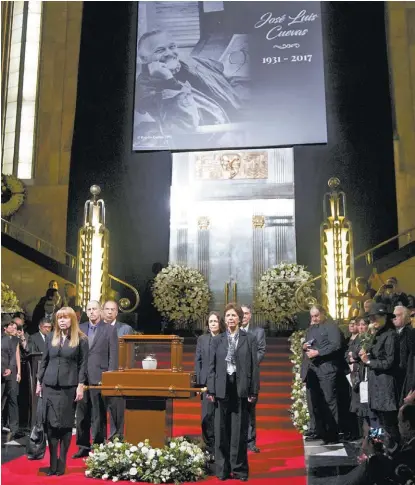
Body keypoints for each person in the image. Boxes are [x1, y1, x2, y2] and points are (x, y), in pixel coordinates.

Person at [135, 30, 242, 145]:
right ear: (144, 59)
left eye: (172, 47)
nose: (170, 53)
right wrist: (169, 81)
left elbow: (229, 81)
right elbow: (185, 125)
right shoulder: (144, 90)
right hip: (211, 143)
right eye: (160, 50)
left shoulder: (193, 62)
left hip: (240, 129)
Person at [207, 302, 259, 482]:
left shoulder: (249, 338)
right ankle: (222, 469)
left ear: (240, 319)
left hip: (241, 388)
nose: (230, 319)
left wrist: (254, 390)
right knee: (221, 431)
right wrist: (211, 389)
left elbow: (254, 367)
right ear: (225, 319)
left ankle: (239, 470)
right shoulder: (217, 340)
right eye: (228, 316)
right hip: (222, 388)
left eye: (234, 316)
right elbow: (211, 367)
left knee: (239, 431)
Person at [36, 307, 88, 475]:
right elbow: (44, 361)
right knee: (50, 426)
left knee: (64, 426)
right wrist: (39, 381)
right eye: (59, 318)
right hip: (49, 386)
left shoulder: (81, 339)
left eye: (65, 318)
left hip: (68, 388)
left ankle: (62, 463)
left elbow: (83, 365)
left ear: (72, 320)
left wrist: (81, 385)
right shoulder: (51, 337)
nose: (62, 321)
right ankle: (52, 464)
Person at [73, 300, 118, 458]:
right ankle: (83, 445)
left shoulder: (109, 330)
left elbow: (113, 355)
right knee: (82, 413)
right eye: (89, 309)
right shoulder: (81, 328)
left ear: (100, 311)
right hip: (81, 377)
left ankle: (98, 445)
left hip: (99, 377)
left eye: (94, 309)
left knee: (98, 413)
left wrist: (109, 376)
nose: (92, 312)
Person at [337, 403, 415, 485]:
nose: (398, 425)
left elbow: (392, 474)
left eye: (399, 421)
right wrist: (392, 447)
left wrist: (372, 455)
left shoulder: (411, 449)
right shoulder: (410, 445)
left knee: (368, 467)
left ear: (407, 425)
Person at [359, 303, 400, 446]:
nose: (372, 322)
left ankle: (394, 454)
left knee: (389, 423)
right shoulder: (377, 334)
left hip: (385, 386)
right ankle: (383, 451)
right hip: (376, 385)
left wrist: (369, 361)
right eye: (371, 319)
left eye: (375, 318)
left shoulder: (391, 335)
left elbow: (389, 361)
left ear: (384, 317)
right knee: (380, 422)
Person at [300, 304, 342, 444]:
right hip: (312, 370)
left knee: (329, 401)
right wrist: (305, 347)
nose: (314, 319)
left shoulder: (331, 327)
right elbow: (309, 343)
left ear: (323, 313)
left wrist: (318, 352)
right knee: (314, 402)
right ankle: (318, 430)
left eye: (317, 316)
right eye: (312, 316)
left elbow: (336, 345)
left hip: (326, 369)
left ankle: (332, 432)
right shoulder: (312, 328)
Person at [194, 311, 226, 458]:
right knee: (206, 416)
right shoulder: (202, 339)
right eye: (211, 321)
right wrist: (199, 384)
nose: (213, 324)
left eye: (215, 321)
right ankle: (208, 446)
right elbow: (198, 361)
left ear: (220, 323)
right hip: (206, 383)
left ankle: (220, 448)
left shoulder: (225, 338)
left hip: (222, 382)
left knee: (220, 416)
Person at [102, 300, 134, 440]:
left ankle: (117, 436)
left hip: (119, 374)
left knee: (117, 408)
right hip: (100, 372)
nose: (109, 312)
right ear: (102, 311)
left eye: (113, 309)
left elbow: (130, 353)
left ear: (117, 312)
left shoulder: (125, 329)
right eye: (107, 309)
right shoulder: (98, 328)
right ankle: (100, 439)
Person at [240, 304, 266, 453]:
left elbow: (261, 350)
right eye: (241, 313)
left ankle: (251, 441)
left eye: (246, 313)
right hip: (235, 376)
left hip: (251, 376)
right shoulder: (232, 331)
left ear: (250, 315)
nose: (243, 316)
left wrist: (249, 363)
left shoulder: (258, 332)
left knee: (250, 411)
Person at [393, 305, 412, 400]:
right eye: (393, 315)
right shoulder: (393, 332)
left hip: (405, 373)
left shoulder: (409, 332)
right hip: (395, 372)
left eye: (398, 315)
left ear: (405, 317)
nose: (394, 318)